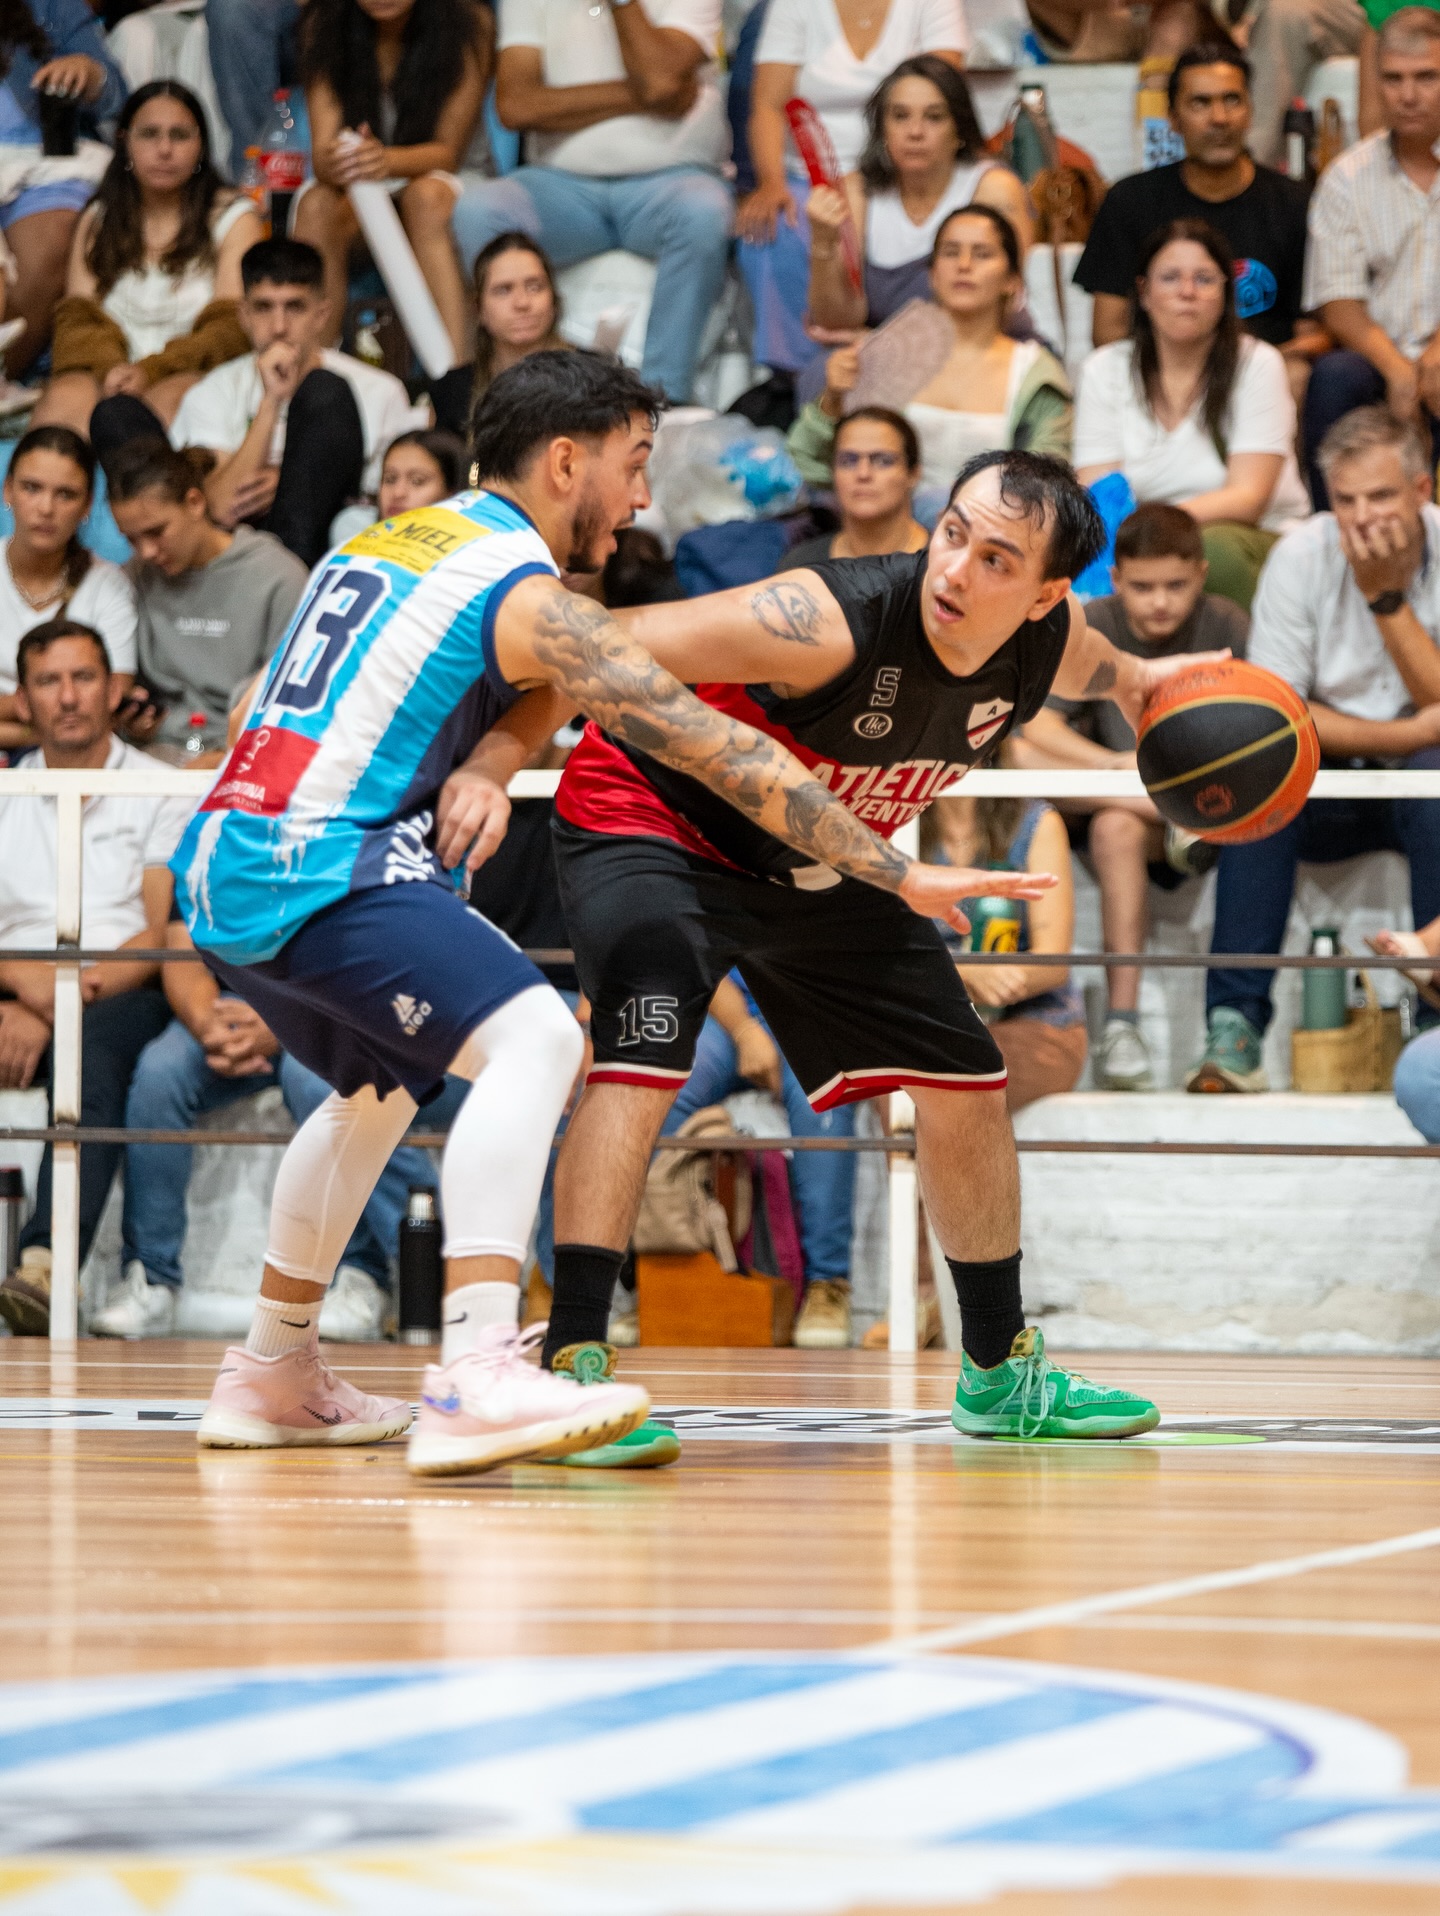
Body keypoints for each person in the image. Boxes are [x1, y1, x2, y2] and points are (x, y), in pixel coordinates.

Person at [175, 348, 1001, 1471]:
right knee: (540, 1036)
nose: (646, 495)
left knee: (373, 1092)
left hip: (229, 849)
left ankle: (272, 1368)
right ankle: (477, 1370)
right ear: (568, 462)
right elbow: (714, 742)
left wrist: (494, 753)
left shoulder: (396, 537)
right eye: (636, 462)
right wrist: (895, 870)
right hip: (320, 858)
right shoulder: (524, 593)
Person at [544, 445, 1225, 1454]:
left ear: (1044, 594)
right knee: (643, 1058)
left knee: (968, 1077)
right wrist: (482, 756)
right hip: (656, 820)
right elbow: (584, 641)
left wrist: (1137, 682)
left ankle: (998, 1372)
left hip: (823, 852)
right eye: (952, 532)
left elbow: (1092, 661)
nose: (956, 570)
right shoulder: (825, 615)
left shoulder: (1047, 642)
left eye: (997, 560)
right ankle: (570, 1368)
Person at [1190, 406, 1440, 1092]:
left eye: (1382, 496)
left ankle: (1433, 1021)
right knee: (1258, 775)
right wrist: (1412, 731)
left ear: (1422, 491)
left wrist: (1385, 599)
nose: (1363, 518)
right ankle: (1234, 1027)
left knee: (1435, 778)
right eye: (1347, 501)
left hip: (1419, 778)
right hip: (1323, 766)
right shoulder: (1301, 553)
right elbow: (1278, 712)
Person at [92, 919, 446, 1341]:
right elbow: (179, 934)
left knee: (325, 1085)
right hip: (225, 1005)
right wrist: (208, 1023)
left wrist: (282, 1020)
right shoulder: (210, 849)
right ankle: (150, 1279)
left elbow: (360, 945)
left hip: (325, 1008)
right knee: (159, 1074)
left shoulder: (338, 851)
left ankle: (364, 1275)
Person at [1018, 503, 1250, 1092]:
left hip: (1206, 802)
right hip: (1126, 798)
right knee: (1034, 764)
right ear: (1117, 580)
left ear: (1201, 574)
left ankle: (1122, 1021)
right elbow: (1038, 730)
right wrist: (1121, 765)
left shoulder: (1227, 625)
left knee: (1116, 822)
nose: (1160, 602)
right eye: (1142, 587)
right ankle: (1123, 1026)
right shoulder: (1093, 620)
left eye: (1176, 585)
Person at [0, 619, 186, 1337]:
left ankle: (45, 1264)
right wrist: (23, 991)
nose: (69, 697)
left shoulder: (160, 789)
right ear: (24, 698)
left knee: (93, 1055)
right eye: (49, 681)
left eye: (83, 678)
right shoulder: (6, 791)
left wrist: (60, 1004)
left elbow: (157, 930)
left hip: (122, 993)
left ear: (113, 688)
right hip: (20, 989)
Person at [450, 0, 732, 404]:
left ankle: (660, 398)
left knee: (705, 211)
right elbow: (516, 104)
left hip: (668, 186)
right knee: (478, 211)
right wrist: (649, 97)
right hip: (563, 190)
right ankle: (515, 387)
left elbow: (657, 75)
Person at [1074, 218, 1311, 612]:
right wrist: (1144, 539)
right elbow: (1101, 494)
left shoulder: (1257, 364)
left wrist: (1153, 528)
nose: (1187, 292)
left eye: (1204, 279)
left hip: (1250, 538)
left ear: (1225, 293)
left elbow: (1248, 498)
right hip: (1139, 547)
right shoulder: (1103, 370)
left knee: (1214, 552)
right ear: (1144, 292)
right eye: (1170, 278)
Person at [739, 0, 969, 382]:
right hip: (809, 176)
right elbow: (767, 104)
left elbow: (940, 90)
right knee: (772, 228)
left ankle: (905, 356)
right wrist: (771, 183)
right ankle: (796, 375)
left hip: (898, 171)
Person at [789, 207, 1072, 507]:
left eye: (982, 254)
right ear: (932, 275)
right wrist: (832, 400)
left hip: (991, 534)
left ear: (1012, 281)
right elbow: (809, 466)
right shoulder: (885, 353)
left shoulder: (1034, 371)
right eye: (950, 253)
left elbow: (1049, 489)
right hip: (886, 536)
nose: (964, 265)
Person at [168, 238, 423, 568]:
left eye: (295, 307)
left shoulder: (380, 391)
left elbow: (391, 509)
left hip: (338, 555)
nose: (279, 327)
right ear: (243, 315)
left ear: (321, 315)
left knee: (324, 390)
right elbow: (222, 508)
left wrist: (299, 484)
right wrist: (271, 400)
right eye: (263, 307)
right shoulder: (212, 392)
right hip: (239, 562)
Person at [38, 83, 263, 442]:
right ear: (125, 142)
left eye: (180, 135)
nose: (164, 149)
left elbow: (230, 331)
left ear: (202, 146)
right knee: (64, 405)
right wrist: (113, 369)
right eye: (149, 134)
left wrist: (151, 371)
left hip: (193, 373)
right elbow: (77, 321)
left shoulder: (236, 219)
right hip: (107, 372)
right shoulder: (98, 217)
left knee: (167, 410)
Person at [1073, 46, 1312, 361]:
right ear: (1173, 119)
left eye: (1232, 100)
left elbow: (1316, 333)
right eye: (1200, 103)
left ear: (1250, 112)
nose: (1219, 118)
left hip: (1262, 377)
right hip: (1160, 379)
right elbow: (1107, 332)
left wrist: (1252, 372)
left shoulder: (1296, 203)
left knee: (1297, 374)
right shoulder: (1129, 201)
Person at [661, 974, 861, 1347]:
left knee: (823, 1094)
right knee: (669, 1085)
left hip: (814, 1009)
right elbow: (704, 952)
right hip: (721, 1011)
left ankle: (828, 1285)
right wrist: (743, 1029)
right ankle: (663, 1276)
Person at [293, 0, 491, 363]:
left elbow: (448, 152)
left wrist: (386, 159)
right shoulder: (322, 22)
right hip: (367, 185)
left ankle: (456, 378)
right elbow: (322, 156)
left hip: (449, 177)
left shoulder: (468, 20)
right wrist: (348, 155)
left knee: (425, 198)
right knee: (315, 204)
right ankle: (310, 373)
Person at [1302, 7, 1440, 509]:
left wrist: (1433, 358)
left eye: (1427, 77)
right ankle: (1331, 533)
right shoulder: (1348, 176)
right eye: (1394, 79)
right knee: (1336, 376)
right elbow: (1339, 302)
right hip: (1378, 360)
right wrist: (1401, 370)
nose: (1408, 94)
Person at [106, 441, 307, 762]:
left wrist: (227, 756)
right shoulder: (133, 577)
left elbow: (291, 704)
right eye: (131, 539)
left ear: (195, 503)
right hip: (151, 757)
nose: (146, 551)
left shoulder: (278, 576)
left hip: (245, 756)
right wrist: (133, 721)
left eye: (156, 532)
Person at [805, 56, 1032, 337]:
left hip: (978, 348)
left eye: (934, 117)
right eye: (900, 116)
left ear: (959, 127)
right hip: (877, 349)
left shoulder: (993, 187)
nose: (915, 132)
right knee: (823, 374)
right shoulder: (857, 191)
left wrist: (880, 345)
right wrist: (824, 243)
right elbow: (837, 322)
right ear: (882, 128)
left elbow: (999, 311)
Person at [922, 787, 1088, 1111]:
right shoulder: (899, 825)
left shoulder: (1036, 821)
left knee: (957, 1068)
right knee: (904, 1067)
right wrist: (966, 974)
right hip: (931, 1023)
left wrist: (987, 978)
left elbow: (1054, 963)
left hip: (1036, 1020)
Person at [0, 0, 127, 379]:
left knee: (58, 236)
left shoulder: (49, 4)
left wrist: (89, 75)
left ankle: (5, 374)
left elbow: (117, 91)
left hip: (45, 156)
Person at [0, 424, 136, 752]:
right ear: (8, 491)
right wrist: (49, 728)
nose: (46, 508)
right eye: (31, 488)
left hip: (75, 761)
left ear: (88, 505)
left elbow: (111, 698)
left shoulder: (108, 584)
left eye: (65, 494)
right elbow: (88, 715)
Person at [786, 406, 927, 569]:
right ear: (833, 472)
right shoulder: (802, 567)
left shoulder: (945, 564)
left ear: (913, 474)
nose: (863, 474)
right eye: (848, 461)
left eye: (883, 461)